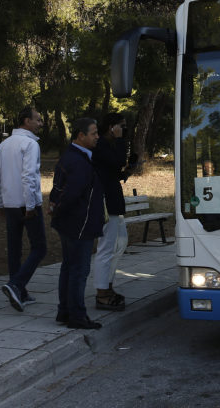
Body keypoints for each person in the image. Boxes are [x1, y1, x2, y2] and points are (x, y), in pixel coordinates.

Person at [50, 118, 105, 330]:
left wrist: (55, 208)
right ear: (80, 136)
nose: (97, 136)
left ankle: (65, 311)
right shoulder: (78, 161)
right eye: (93, 133)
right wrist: (58, 208)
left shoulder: (74, 156)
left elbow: (58, 189)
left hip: (70, 222)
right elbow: (71, 193)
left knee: (69, 267)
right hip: (79, 223)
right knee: (78, 270)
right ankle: (77, 316)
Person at [0, 106, 46, 312]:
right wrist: (31, 206)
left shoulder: (4, 145)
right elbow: (28, 176)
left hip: (10, 204)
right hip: (27, 205)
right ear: (26, 121)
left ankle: (19, 292)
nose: (40, 123)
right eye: (37, 120)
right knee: (40, 248)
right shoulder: (30, 144)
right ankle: (16, 285)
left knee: (14, 249)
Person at [92, 113, 130, 311]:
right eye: (121, 126)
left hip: (113, 199)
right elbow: (116, 162)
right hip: (107, 202)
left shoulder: (108, 146)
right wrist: (121, 140)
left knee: (119, 242)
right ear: (111, 127)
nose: (124, 130)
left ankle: (107, 285)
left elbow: (115, 169)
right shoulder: (102, 145)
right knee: (107, 247)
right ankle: (102, 292)